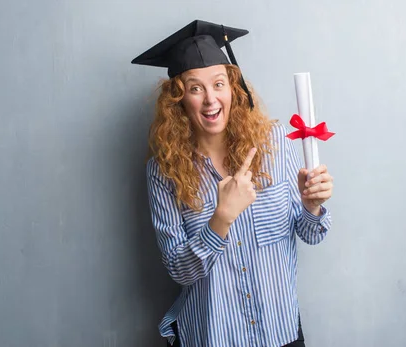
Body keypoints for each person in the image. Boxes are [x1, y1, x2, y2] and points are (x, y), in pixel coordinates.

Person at [132, 20, 334, 347]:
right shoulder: (163, 171)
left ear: (233, 88)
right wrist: (220, 219)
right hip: (214, 336)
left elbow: (311, 233)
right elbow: (178, 270)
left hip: (279, 332)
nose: (211, 99)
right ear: (179, 99)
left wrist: (312, 206)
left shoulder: (276, 144)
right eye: (195, 88)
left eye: (219, 84)